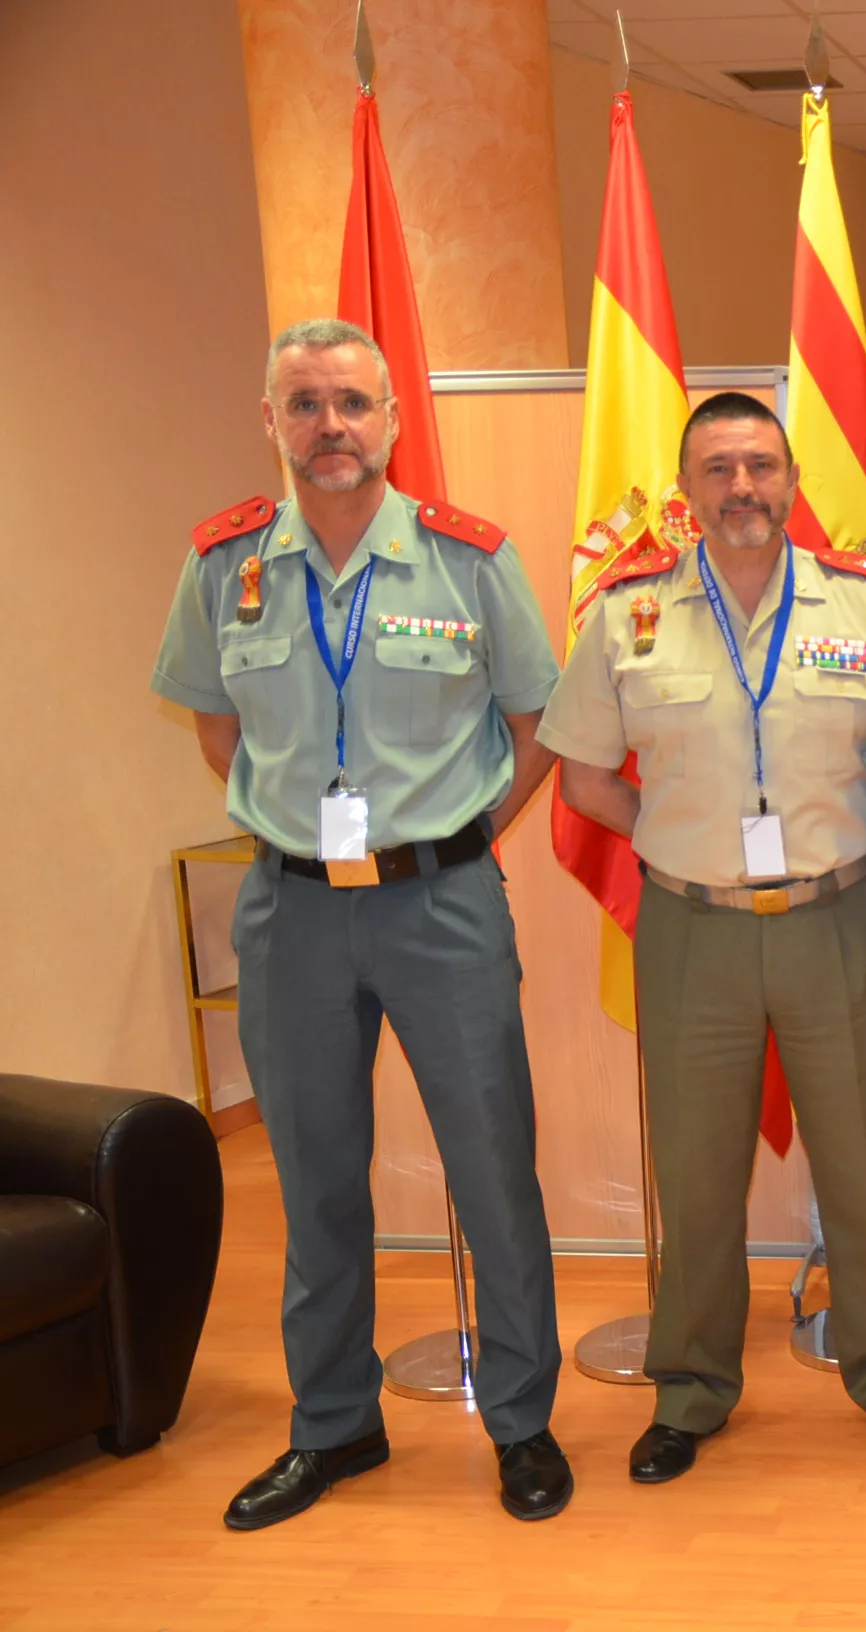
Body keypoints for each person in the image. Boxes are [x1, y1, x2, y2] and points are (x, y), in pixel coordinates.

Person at [151, 318, 571, 1528]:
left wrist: (466, 832)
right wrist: (291, 823)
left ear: (390, 419)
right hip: (290, 911)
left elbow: (536, 718)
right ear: (271, 423)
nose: (329, 426)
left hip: (440, 904)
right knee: (316, 1177)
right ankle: (333, 1426)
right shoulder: (222, 565)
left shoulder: (468, 562)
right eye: (305, 405)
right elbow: (216, 725)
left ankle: (522, 1423)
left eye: (351, 402)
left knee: (492, 1172)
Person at [541, 391, 866, 1482]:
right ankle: (691, 1389)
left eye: (761, 466)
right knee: (696, 1165)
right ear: (687, 493)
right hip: (691, 928)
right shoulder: (626, 617)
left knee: (865, 1160)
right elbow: (583, 779)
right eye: (718, 470)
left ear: (793, 480)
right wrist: (682, 845)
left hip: (838, 920)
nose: (742, 489)